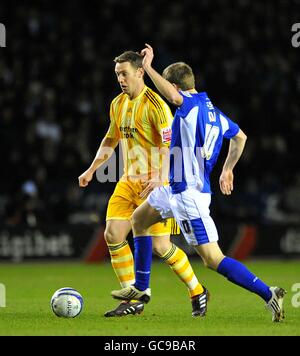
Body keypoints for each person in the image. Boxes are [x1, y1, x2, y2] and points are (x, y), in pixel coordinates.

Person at [111, 44, 287, 322]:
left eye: (170, 90)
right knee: (139, 219)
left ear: (175, 87)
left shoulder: (188, 104)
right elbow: (240, 137)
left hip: (189, 196)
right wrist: (227, 169)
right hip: (174, 188)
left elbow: (171, 94)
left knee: (212, 259)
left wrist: (148, 68)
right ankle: (141, 290)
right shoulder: (214, 111)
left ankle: (268, 293)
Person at [78, 50, 207, 317]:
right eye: (117, 75)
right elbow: (110, 139)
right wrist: (92, 169)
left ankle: (197, 290)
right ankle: (133, 299)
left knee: (161, 247)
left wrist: (161, 177)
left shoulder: (156, 106)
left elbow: (174, 146)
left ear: (139, 72)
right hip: (128, 180)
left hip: (155, 184)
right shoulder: (117, 104)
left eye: (124, 73)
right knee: (112, 234)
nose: (120, 79)